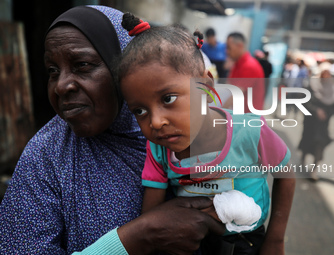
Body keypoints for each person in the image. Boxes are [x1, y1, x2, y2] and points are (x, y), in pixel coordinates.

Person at [0, 6, 225, 255]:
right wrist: (138, 237)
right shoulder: (45, 157)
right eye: (53, 71)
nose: (61, 86)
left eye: (82, 65)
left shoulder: (187, 132)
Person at [118, 13, 295, 255]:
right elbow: (153, 219)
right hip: (189, 242)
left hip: (246, 242)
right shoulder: (159, 149)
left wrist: (275, 240)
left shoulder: (249, 130)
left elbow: (286, 173)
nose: (156, 122)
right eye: (140, 110)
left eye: (168, 99)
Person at [298, 63, 334, 181]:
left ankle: (314, 169)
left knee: (320, 145)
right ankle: (303, 159)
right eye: (324, 73)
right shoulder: (313, 85)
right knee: (307, 141)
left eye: (328, 74)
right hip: (311, 121)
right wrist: (316, 111)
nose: (326, 76)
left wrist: (329, 115)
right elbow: (305, 101)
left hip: (324, 124)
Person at [224, 32, 265, 113]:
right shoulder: (236, 64)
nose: (227, 51)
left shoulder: (249, 66)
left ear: (240, 46)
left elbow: (235, 95)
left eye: (229, 48)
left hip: (248, 118)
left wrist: (218, 110)